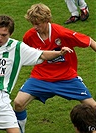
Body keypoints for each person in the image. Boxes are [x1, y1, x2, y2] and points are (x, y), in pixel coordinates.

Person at [0, 15, 72, 133]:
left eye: (3, 35)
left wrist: (60, 53)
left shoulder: (18, 48)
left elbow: (42, 55)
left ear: (10, 34)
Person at [13, 3, 96, 133]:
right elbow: (23, 54)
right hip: (41, 78)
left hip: (66, 77)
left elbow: (89, 41)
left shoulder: (62, 33)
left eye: (38, 23)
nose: (35, 27)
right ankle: (20, 130)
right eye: (33, 23)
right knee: (18, 103)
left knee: (93, 107)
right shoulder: (29, 36)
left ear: (47, 20)